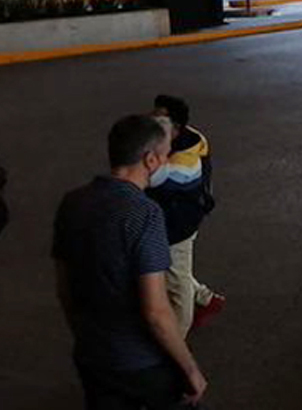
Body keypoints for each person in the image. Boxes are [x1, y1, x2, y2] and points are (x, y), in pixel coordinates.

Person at [53, 115, 208, 409]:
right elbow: (156, 312)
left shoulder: (72, 202)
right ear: (150, 160)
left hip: (91, 355)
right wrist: (190, 369)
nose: (166, 161)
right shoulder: (144, 214)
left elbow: (64, 288)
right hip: (140, 363)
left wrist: (86, 338)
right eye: (165, 155)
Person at [148, 96, 223, 337]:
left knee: (176, 284)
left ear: (177, 128)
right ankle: (204, 298)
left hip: (178, 226)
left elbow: (153, 179)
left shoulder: (181, 163)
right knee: (173, 269)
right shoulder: (185, 137)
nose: (152, 122)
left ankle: (178, 336)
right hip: (175, 218)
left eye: (160, 119)